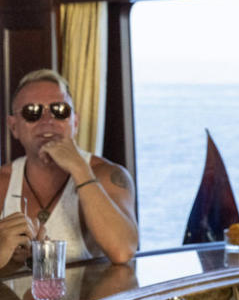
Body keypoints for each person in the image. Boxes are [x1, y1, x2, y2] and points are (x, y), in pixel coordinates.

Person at [1, 69, 138, 267]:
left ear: (74, 122)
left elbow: (123, 251)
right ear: (14, 126)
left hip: (89, 298)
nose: (47, 121)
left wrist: (79, 168)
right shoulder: (3, 182)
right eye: (32, 112)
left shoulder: (108, 175)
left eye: (59, 110)